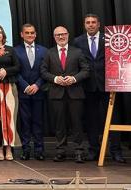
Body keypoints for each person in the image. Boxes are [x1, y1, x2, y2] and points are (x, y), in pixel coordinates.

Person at [73, 14, 126, 163]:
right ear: (84, 25)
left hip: (109, 85)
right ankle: (93, 150)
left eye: (93, 22)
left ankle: (116, 151)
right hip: (88, 86)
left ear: (98, 24)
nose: (90, 25)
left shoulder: (109, 38)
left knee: (113, 118)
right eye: (88, 22)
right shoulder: (78, 41)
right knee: (92, 120)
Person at [40, 26, 90, 163]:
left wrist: (74, 78)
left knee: (77, 124)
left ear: (68, 35)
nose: (61, 37)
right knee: (59, 125)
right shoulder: (49, 53)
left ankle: (79, 151)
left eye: (63, 34)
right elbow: (43, 71)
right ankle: (60, 151)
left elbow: (86, 70)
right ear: (54, 37)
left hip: (75, 93)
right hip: (56, 93)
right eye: (58, 35)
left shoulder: (77, 52)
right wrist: (55, 79)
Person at [13, 23, 47, 161]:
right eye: (27, 33)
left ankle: (39, 150)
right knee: (25, 122)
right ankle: (25, 149)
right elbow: (16, 71)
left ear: (36, 34)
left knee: (38, 122)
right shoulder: (15, 51)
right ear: (22, 34)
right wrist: (25, 86)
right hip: (23, 92)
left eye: (32, 32)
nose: (30, 35)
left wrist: (37, 85)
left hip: (39, 91)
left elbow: (45, 71)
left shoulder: (44, 51)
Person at [0, 24, 20, 161]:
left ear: (3, 35)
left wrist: (5, 71)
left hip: (9, 87)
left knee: (10, 118)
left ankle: (9, 148)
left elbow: (17, 66)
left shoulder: (11, 50)